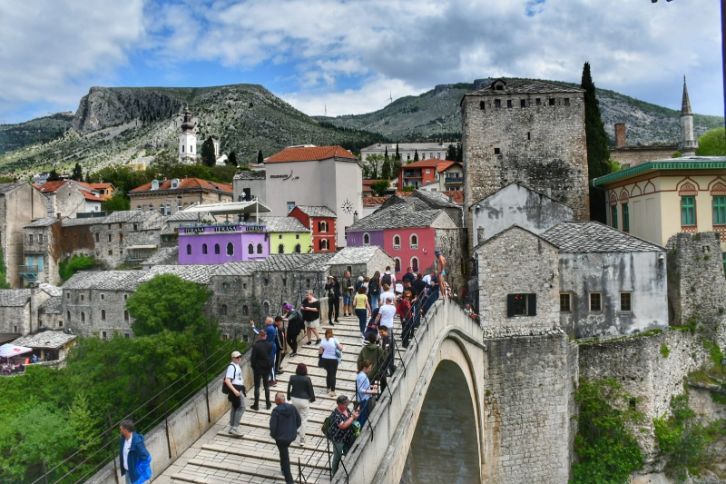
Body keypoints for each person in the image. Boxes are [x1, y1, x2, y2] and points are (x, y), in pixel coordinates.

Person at [269, 392, 301, 484]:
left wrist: (274, 435)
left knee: (285, 457)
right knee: (283, 452)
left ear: (276, 400)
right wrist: (293, 430)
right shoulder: (292, 407)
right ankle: (283, 468)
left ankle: (289, 480)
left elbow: (273, 426)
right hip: (291, 436)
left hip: (280, 438)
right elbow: (298, 421)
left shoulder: (276, 411)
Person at [328, 395, 359, 476]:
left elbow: (349, 418)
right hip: (338, 439)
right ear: (339, 404)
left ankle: (348, 471)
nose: (347, 406)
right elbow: (343, 426)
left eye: (347, 404)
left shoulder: (346, 409)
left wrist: (354, 415)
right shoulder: (335, 414)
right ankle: (334, 474)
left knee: (348, 454)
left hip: (347, 437)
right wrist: (352, 417)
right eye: (345, 404)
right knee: (337, 458)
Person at [287, 363, 315, 446]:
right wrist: (312, 399)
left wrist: (288, 396)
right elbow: (310, 390)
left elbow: (289, 388)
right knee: (303, 419)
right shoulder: (307, 379)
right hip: (304, 400)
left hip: (294, 398)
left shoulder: (292, 377)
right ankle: (302, 439)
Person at [119, 419, 151, 484]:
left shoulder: (137, 443)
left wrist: (138, 470)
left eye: (121, 429)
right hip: (128, 472)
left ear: (126, 430)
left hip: (136, 475)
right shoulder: (122, 439)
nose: (120, 430)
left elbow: (147, 458)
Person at [224, 350, 246, 436]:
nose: (239, 358)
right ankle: (235, 428)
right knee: (242, 407)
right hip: (236, 389)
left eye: (240, 357)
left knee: (235, 407)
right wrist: (235, 391)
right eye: (237, 357)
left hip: (238, 388)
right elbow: (227, 380)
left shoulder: (236, 366)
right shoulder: (232, 367)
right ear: (233, 358)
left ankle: (232, 426)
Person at [250, 331, 273, 410]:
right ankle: (268, 404)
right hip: (266, 367)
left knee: (257, 387)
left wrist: (253, 367)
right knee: (266, 386)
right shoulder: (270, 345)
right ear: (265, 336)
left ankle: (256, 405)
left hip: (258, 368)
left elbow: (253, 358)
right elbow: (270, 356)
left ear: (259, 336)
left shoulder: (256, 346)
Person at [319, 328, 343, 396]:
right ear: (332, 333)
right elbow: (340, 348)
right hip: (333, 360)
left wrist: (320, 358)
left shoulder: (323, 341)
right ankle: (333, 390)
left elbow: (320, 351)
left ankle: (328, 388)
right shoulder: (334, 339)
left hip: (325, 359)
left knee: (328, 373)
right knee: (333, 375)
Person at [355, 360, 378, 427]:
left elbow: (364, 386)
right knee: (363, 418)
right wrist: (372, 391)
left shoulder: (362, 375)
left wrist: (371, 386)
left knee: (363, 417)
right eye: (370, 368)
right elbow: (360, 389)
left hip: (364, 399)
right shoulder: (362, 376)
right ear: (365, 368)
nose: (370, 370)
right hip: (363, 400)